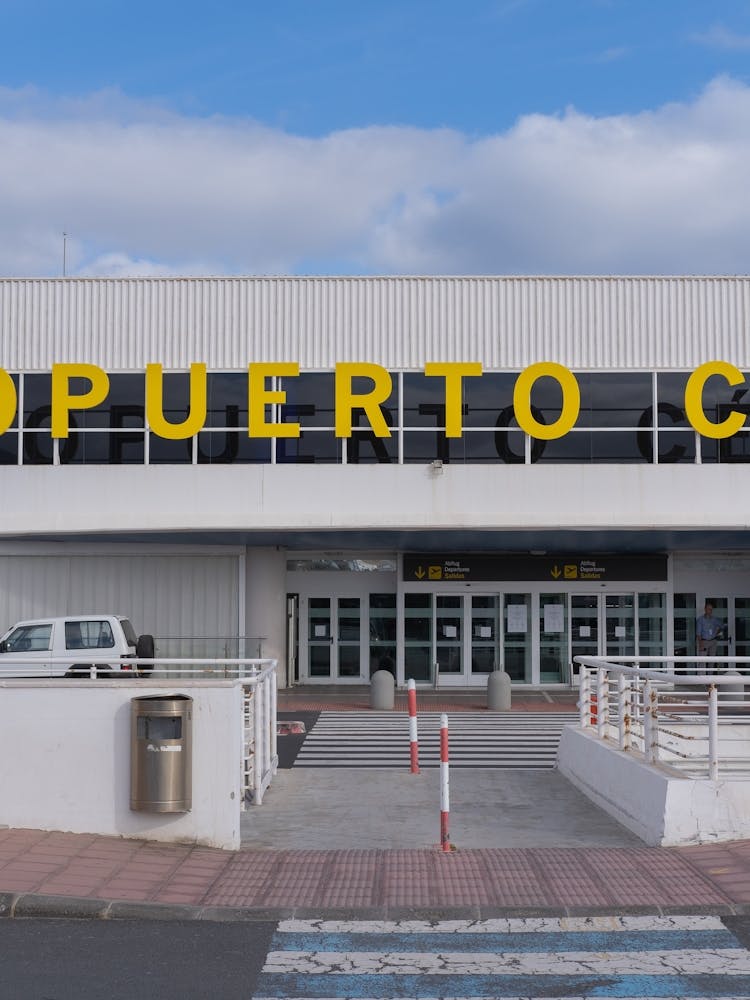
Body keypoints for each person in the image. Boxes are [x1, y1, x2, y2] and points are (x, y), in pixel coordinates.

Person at [696, 602, 724, 673]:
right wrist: (701, 644)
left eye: (711, 609)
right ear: (705, 609)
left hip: (713, 641)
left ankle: (710, 678)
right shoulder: (700, 620)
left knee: (712, 660)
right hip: (704, 642)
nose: (710, 611)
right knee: (702, 660)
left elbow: (722, 626)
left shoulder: (714, 619)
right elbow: (698, 633)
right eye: (709, 609)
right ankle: (701, 678)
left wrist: (717, 633)